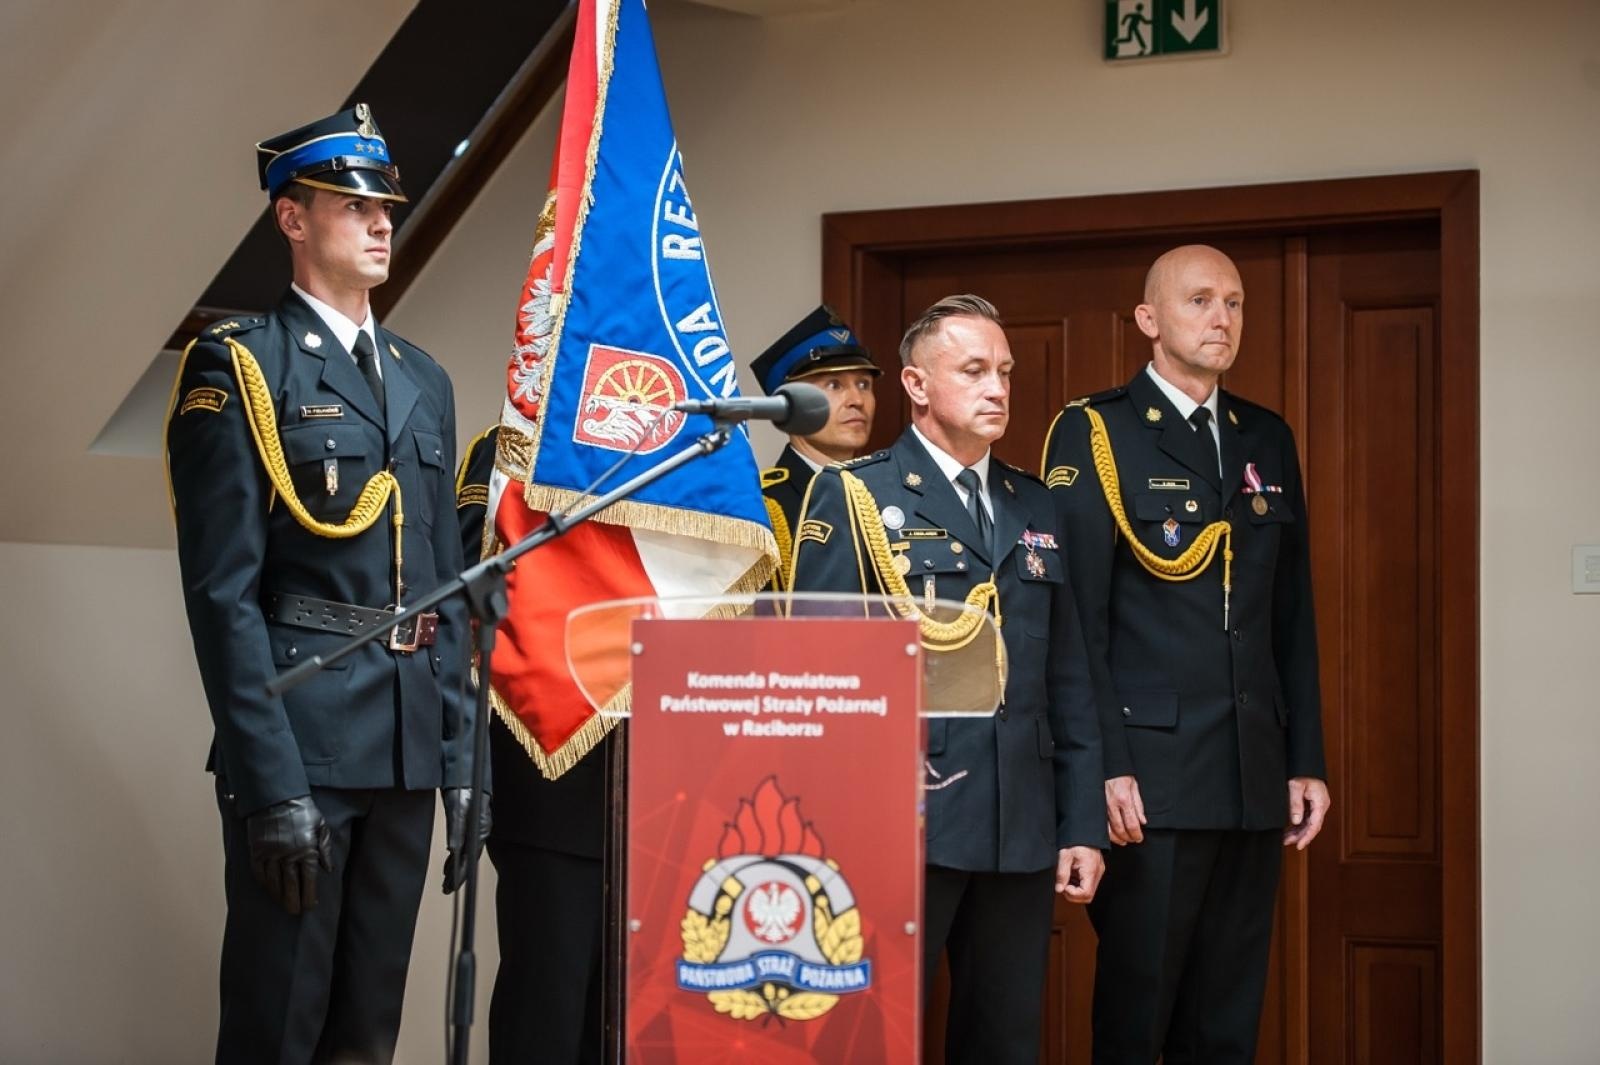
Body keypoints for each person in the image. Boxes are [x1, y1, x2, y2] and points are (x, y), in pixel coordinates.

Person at [165, 104, 489, 1065]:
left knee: (367, 1034)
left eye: (385, 203)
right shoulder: (241, 367)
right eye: (352, 204)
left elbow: (443, 588)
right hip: (302, 743)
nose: (382, 220)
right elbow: (222, 596)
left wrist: (462, 755)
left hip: (402, 751)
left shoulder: (422, 378)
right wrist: (269, 786)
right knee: (279, 1026)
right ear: (292, 219)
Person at [788, 294, 1105, 1063]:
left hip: (1019, 824)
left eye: (1004, 370)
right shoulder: (858, 494)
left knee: (1004, 1040)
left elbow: (1068, 674)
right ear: (918, 385)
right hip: (907, 823)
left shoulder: (1034, 503)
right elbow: (821, 674)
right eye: (974, 369)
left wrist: (1081, 823)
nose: (997, 386)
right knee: (877, 1037)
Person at [1041, 245, 1331, 1063]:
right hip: (1150, 781)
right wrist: (1099, 764)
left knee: (1226, 1025)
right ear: (1149, 319)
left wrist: (1304, 756)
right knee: (1140, 1020)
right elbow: (1076, 620)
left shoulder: (1265, 437)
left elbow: (1291, 613)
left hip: (1249, 774)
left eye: (1235, 303)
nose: (1222, 319)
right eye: (1200, 300)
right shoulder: (1095, 431)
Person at [454, 427, 608, 1065]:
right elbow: (465, 589)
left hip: (663, 787)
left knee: (633, 1026)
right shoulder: (511, 444)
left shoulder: (686, 455)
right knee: (546, 1012)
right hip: (552, 767)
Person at [749, 305, 880, 588]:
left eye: (864, 384)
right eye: (834, 385)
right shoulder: (762, 506)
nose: (857, 399)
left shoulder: (884, 493)